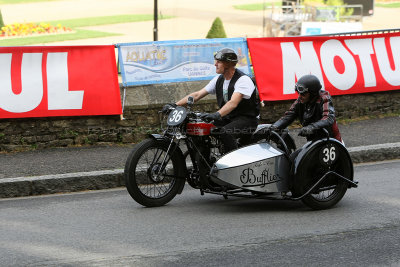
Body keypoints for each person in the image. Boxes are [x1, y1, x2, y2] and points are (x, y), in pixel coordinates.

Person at [162, 48, 260, 152]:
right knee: (199, 128)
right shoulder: (219, 79)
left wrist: (217, 114)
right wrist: (175, 105)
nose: (215, 64)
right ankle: (204, 165)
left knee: (225, 133)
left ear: (227, 63)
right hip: (228, 117)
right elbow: (197, 95)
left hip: (247, 119)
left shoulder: (243, 80)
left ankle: (232, 164)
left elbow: (233, 103)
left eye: (219, 62)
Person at [270, 74, 342, 143]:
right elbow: (289, 115)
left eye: (303, 94)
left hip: (331, 141)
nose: (300, 96)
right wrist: (274, 127)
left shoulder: (324, 98)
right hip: (313, 142)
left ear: (312, 93)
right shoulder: (301, 101)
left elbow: (328, 118)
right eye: (299, 93)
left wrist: (311, 127)